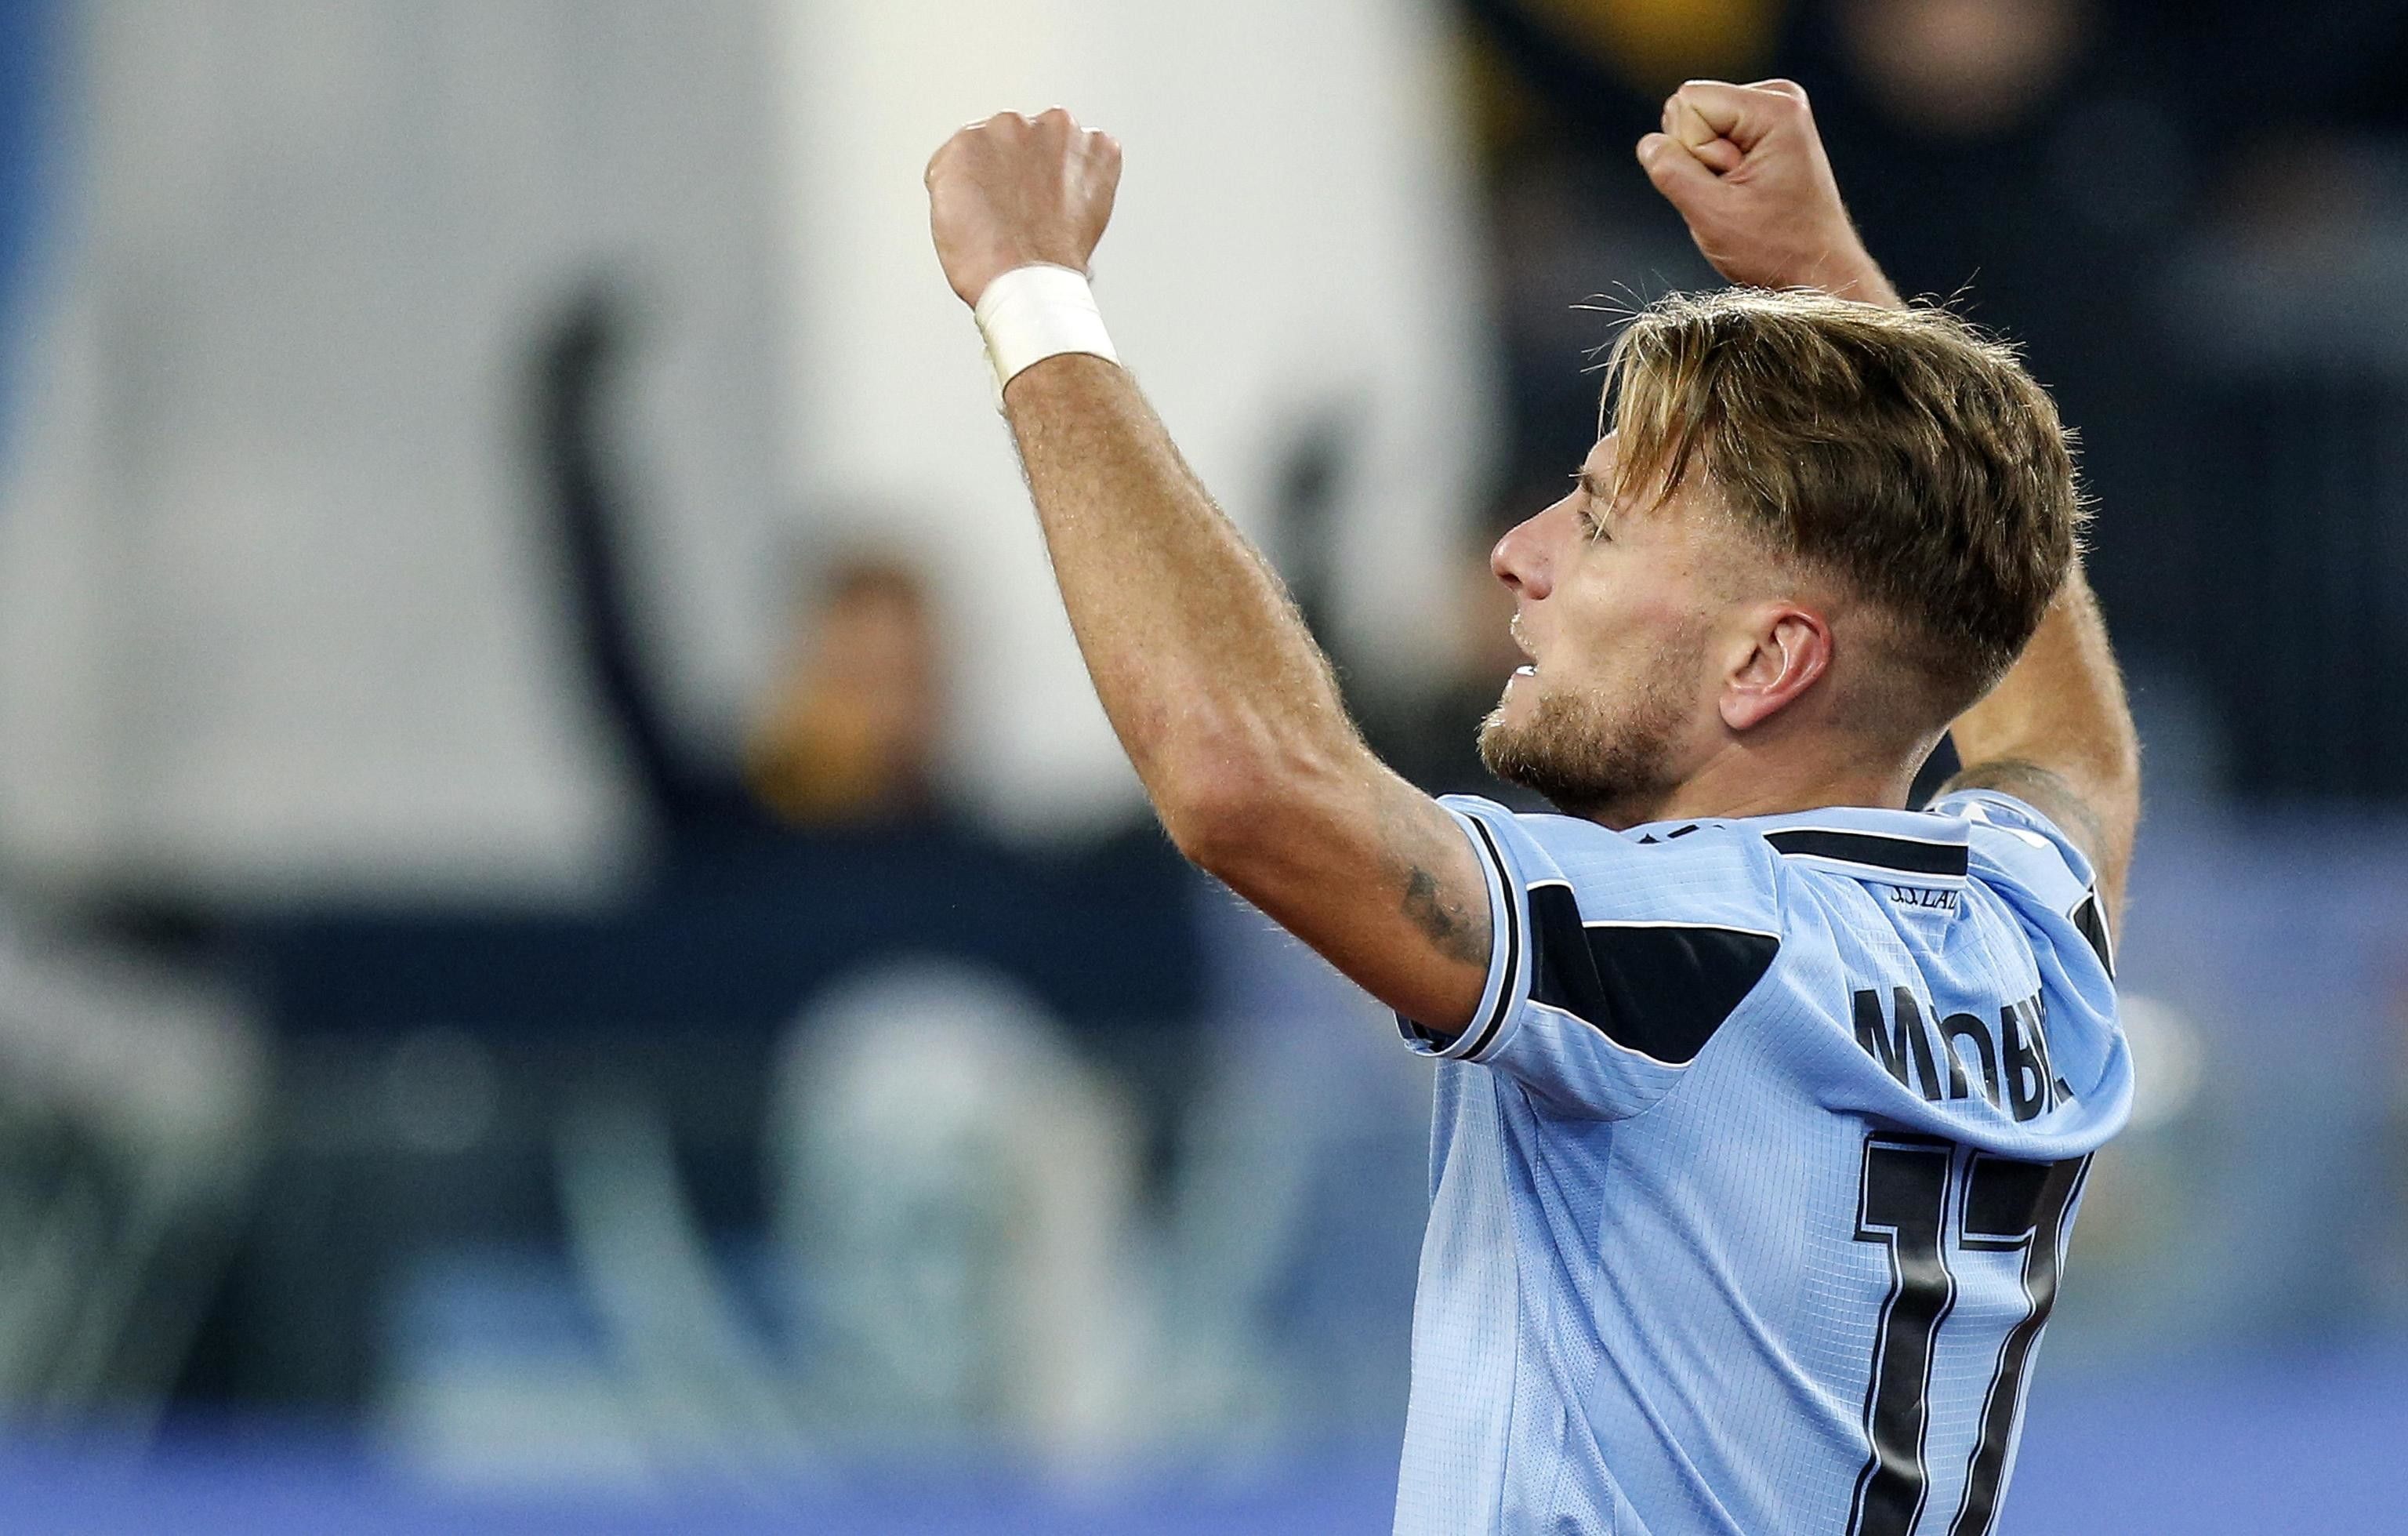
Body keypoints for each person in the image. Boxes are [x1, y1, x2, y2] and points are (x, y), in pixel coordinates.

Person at [923, 75, 2136, 1536]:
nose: (1519, 551)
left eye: (1602, 524)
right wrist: (1825, 285)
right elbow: (2064, 732)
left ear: (1768, 661)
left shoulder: (1690, 946)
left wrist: (1035, 297)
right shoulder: (2020, 922)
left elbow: (1246, 783)